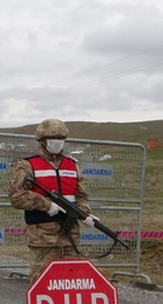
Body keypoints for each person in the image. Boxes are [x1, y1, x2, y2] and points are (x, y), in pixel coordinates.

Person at [7, 118, 98, 283]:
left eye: (60, 139)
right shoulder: (28, 166)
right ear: (42, 141)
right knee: (43, 284)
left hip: (70, 238)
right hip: (43, 239)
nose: (57, 142)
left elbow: (81, 196)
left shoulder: (72, 166)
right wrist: (46, 205)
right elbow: (15, 195)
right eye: (52, 139)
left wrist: (85, 212)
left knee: (71, 285)